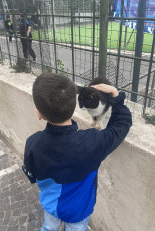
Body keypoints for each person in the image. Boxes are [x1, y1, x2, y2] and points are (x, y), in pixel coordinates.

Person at [22, 73, 132, 231]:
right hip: (79, 211)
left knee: (48, 227)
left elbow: (31, 176)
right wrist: (116, 95)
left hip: (51, 206)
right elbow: (120, 126)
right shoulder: (92, 142)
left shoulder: (33, 143)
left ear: (39, 112)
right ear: (74, 105)